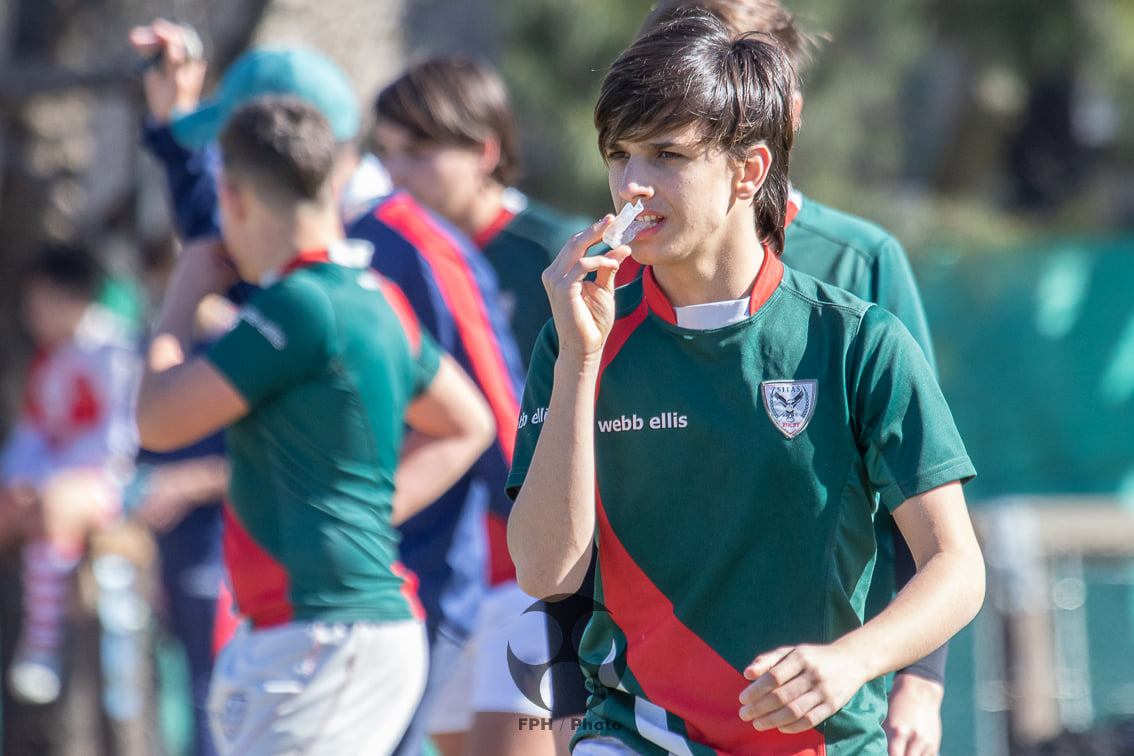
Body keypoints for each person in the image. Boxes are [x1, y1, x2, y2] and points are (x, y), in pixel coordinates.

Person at [506, 10, 985, 756]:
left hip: (821, 740)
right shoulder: (578, 336)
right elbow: (546, 572)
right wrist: (577, 362)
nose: (632, 185)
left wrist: (855, 661)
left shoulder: (857, 341)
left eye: (667, 154)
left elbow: (956, 565)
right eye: (618, 154)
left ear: (748, 170)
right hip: (636, 730)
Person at [129, 24, 527, 756]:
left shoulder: (403, 250)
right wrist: (168, 131)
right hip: (327, 606)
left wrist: (539, 587)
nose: (215, 179)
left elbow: (497, 421)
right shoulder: (317, 267)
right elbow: (229, 239)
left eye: (223, 160)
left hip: (406, 589)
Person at [373, 55, 589, 756]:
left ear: (485, 151)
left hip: (538, 578)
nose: (397, 173)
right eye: (386, 153)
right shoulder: (390, 254)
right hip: (439, 575)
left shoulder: (556, 253)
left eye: (419, 151)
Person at [0, 245, 141, 706]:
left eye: (40, 302)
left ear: (74, 297)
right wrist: (19, 481)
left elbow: (119, 440)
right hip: (55, 480)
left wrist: (48, 481)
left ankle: (42, 645)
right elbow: (32, 435)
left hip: (115, 484)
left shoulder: (113, 350)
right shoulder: (47, 360)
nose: (31, 314)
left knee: (57, 503)